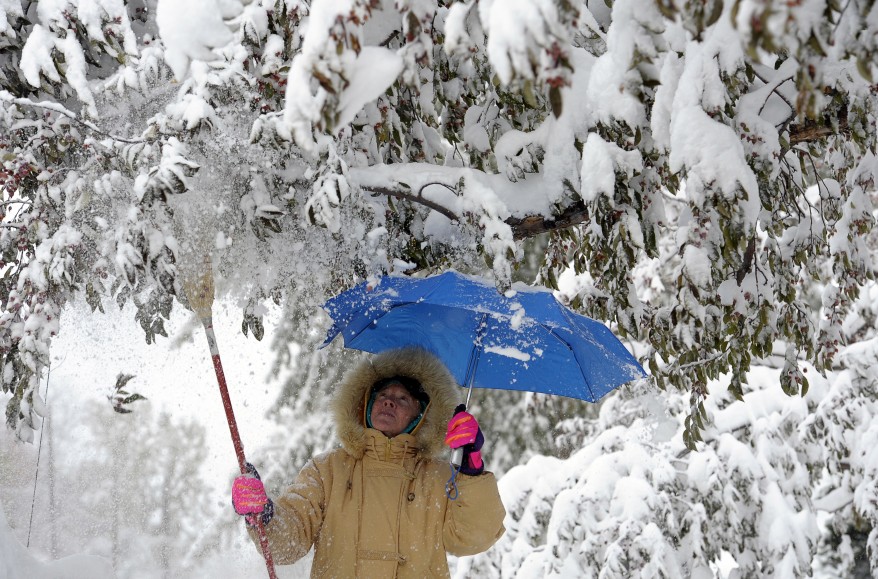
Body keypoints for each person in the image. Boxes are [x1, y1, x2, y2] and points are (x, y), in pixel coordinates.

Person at [231, 347, 506, 577]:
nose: (389, 403)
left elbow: (473, 537)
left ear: (420, 416)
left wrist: (472, 465)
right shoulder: (327, 471)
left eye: (402, 399)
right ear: (365, 404)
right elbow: (288, 543)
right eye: (382, 396)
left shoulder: (440, 479)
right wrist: (265, 515)